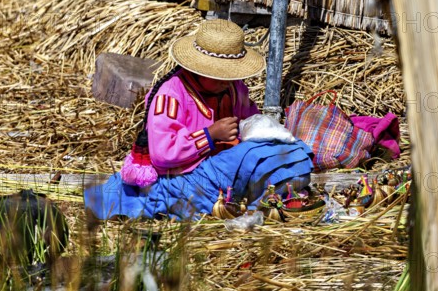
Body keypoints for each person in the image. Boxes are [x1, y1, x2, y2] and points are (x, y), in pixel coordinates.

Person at [84, 19, 314, 220]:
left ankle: (272, 194)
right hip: (189, 175)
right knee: (254, 156)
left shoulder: (234, 89)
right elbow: (162, 154)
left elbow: (249, 119)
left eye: (231, 75)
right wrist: (210, 135)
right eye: (220, 76)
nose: (227, 81)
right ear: (197, 70)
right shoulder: (171, 96)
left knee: (286, 151)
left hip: (225, 168)